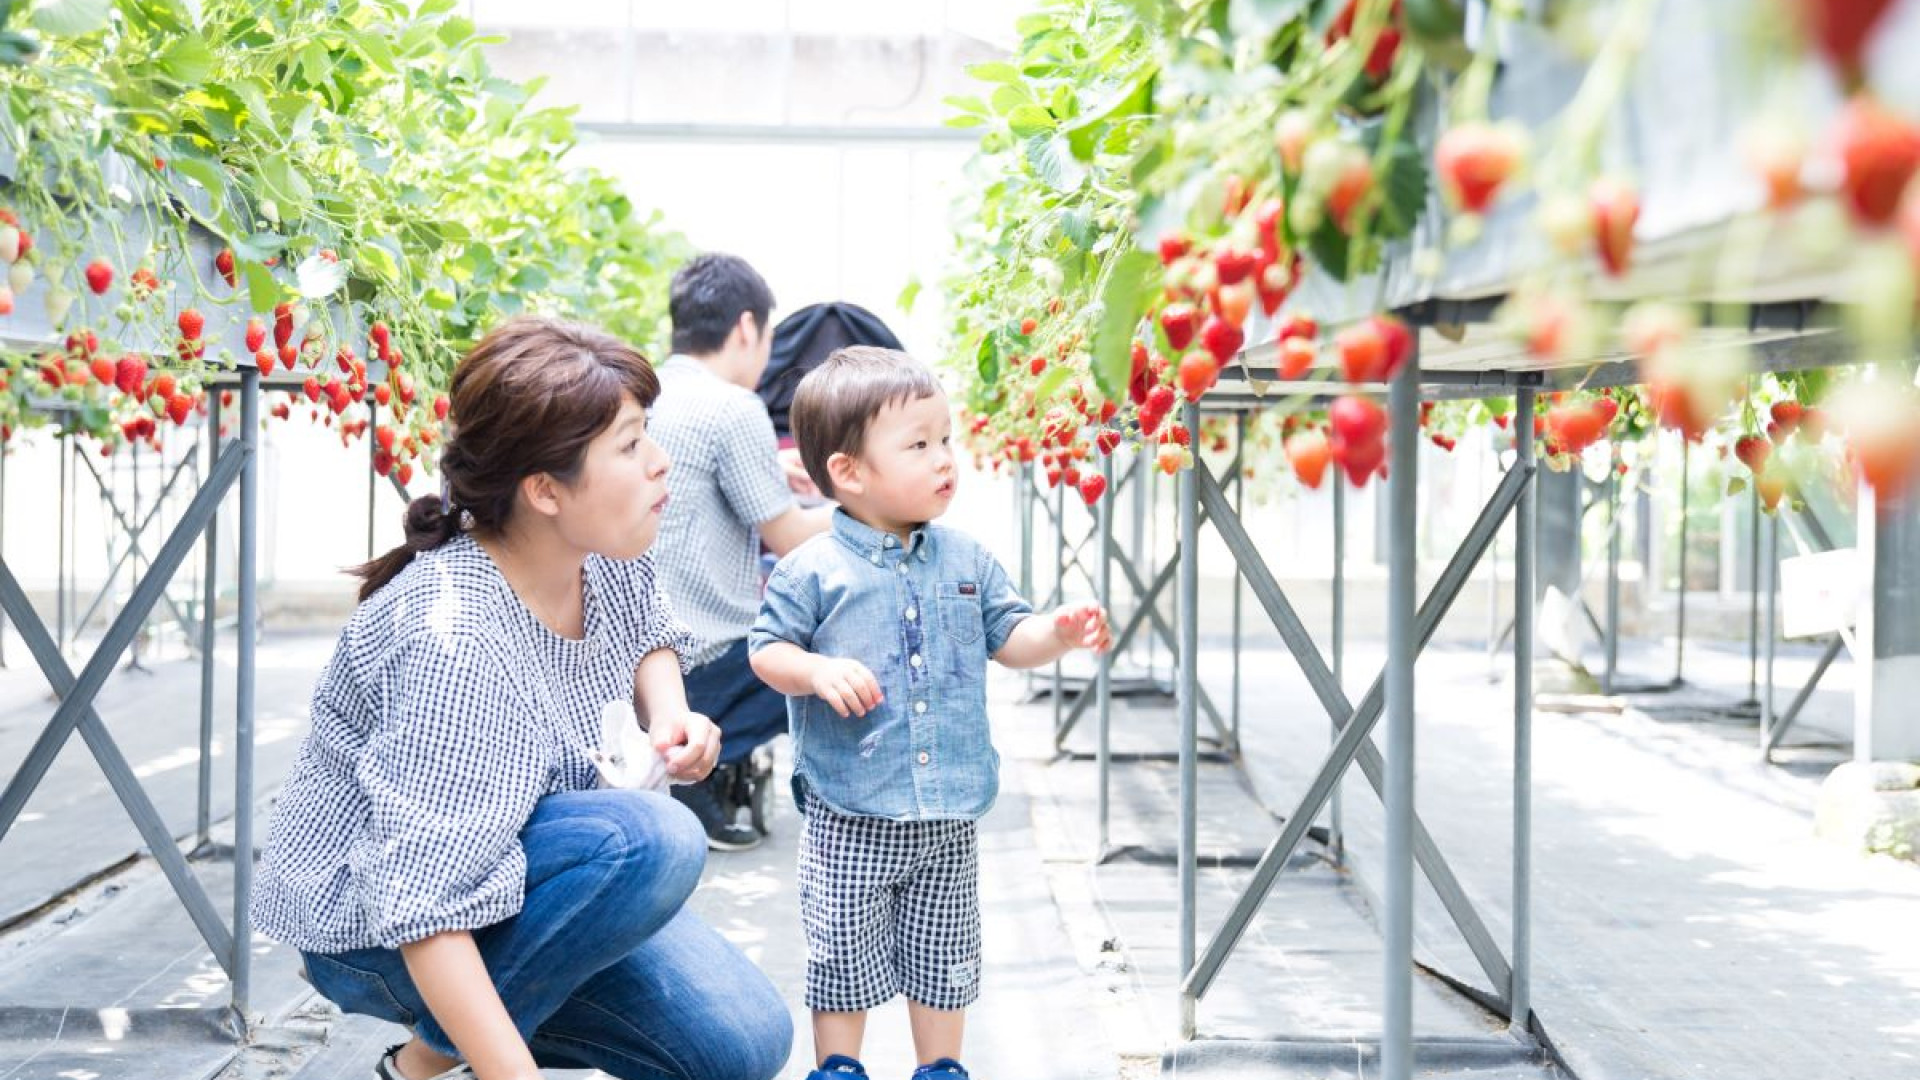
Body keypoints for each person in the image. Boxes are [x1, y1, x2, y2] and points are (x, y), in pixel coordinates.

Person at [251, 318, 791, 1080]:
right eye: (632, 446)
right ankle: (423, 1067)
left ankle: (420, 1060)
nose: (662, 464)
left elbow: (647, 628)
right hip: (375, 928)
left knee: (741, 1045)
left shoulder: (596, 552)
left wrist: (671, 713)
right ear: (543, 490)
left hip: (517, 872)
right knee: (649, 840)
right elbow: (423, 904)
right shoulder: (452, 640)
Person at [747, 346, 1111, 1080]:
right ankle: (840, 1067)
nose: (945, 458)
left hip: (948, 812)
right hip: (851, 808)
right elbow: (767, 650)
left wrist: (1059, 634)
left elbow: (1011, 638)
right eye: (919, 444)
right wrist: (815, 670)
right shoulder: (814, 567)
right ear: (848, 472)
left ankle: (940, 1067)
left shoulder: (967, 560)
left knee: (945, 955)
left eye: (945, 438)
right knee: (842, 952)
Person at [649, 253, 833, 850]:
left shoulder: (645, 391)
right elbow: (788, 537)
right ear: (748, 327)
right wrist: (867, 503)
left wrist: (773, 470)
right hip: (702, 661)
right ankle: (701, 777)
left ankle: (698, 765)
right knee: (827, 651)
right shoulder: (734, 406)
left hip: (639, 653)